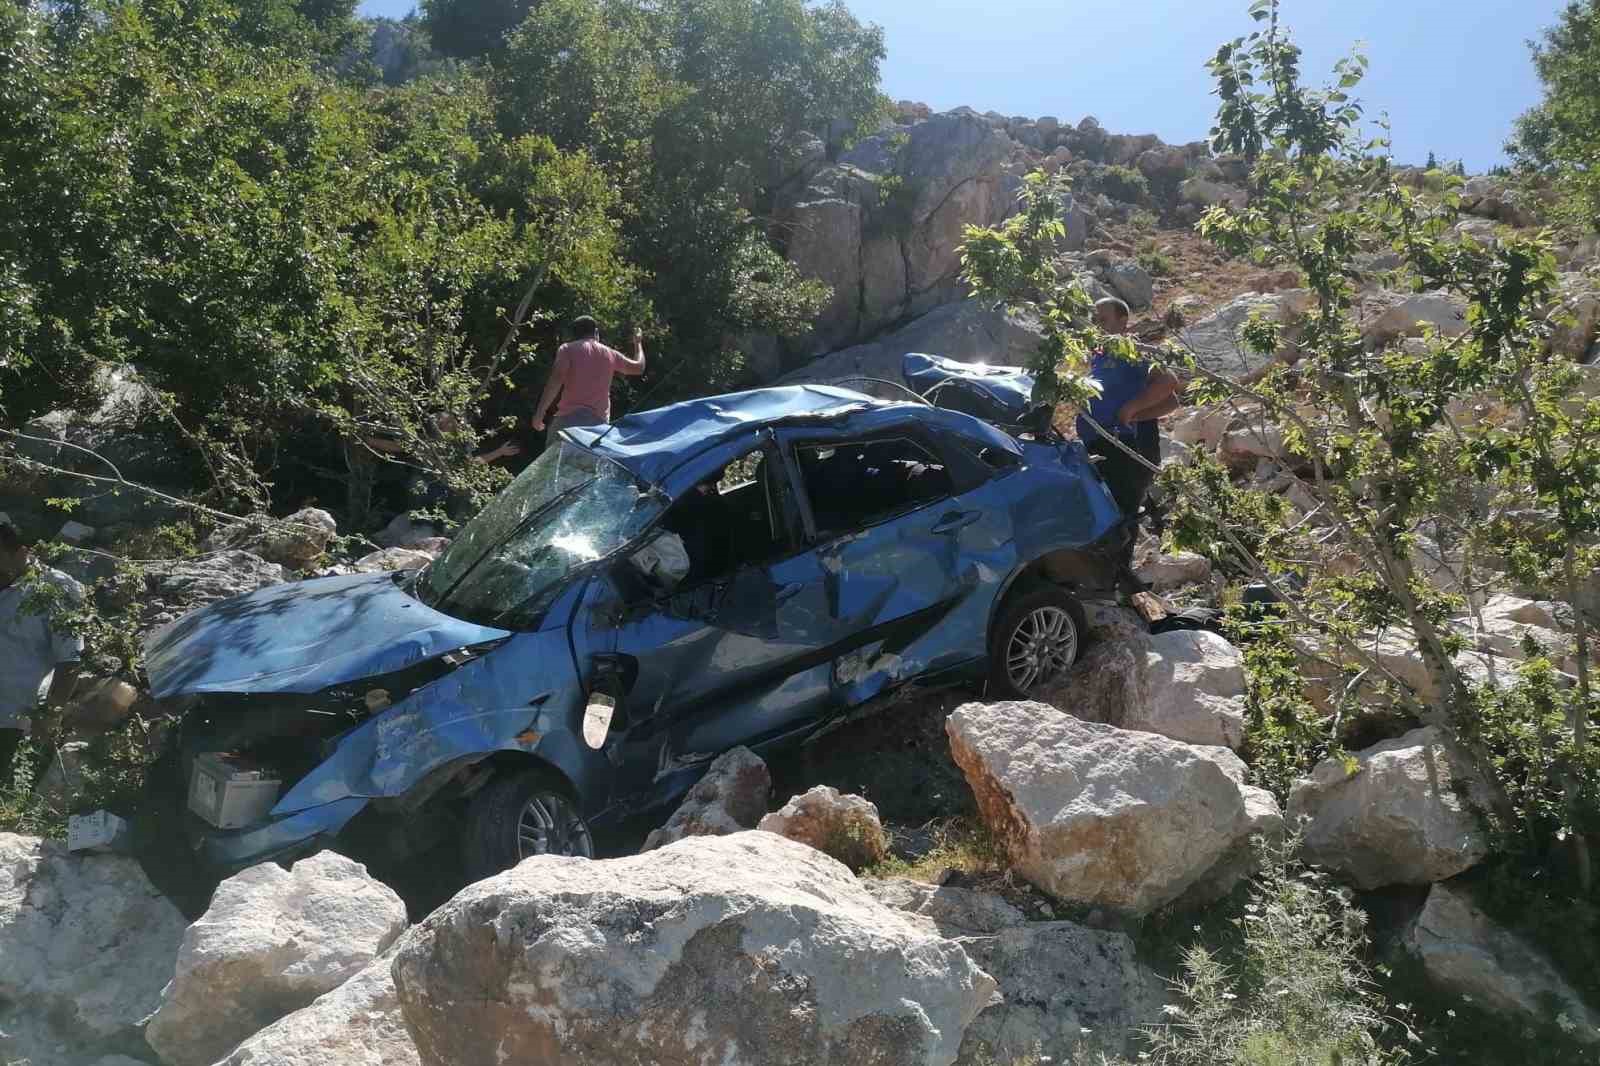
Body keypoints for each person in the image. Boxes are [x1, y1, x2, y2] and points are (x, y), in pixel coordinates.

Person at [1077, 297, 1182, 520]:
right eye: (1094, 320)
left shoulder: (1131, 349)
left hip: (1127, 445)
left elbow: (1169, 384)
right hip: (1103, 442)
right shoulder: (1099, 355)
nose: (1098, 325)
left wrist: (1131, 411)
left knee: (1121, 514)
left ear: (1123, 320)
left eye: (1103, 319)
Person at [0, 519, 84, 776]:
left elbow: (70, 659)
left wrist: (51, 714)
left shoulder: (57, 588)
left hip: (13, 717)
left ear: (22, 552)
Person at [532, 317, 646, 444]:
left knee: (553, 463)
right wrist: (638, 343)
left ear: (574, 334)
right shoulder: (610, 354)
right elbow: (638, 367)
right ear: (596, 332)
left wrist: (540, 413)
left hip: (567, 422)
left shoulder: (567, 349)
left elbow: (556, 380)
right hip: (597, 428)